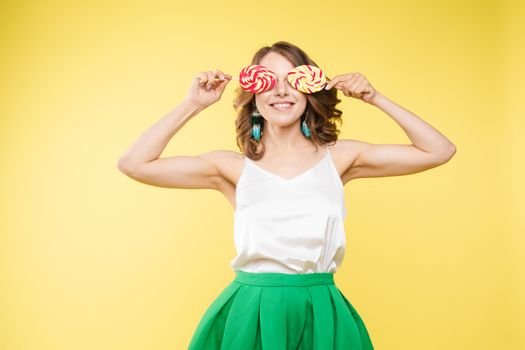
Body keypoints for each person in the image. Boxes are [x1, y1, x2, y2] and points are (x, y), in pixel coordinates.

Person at [117, 41, 456, 349]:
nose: (281, 91)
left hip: (321, 308)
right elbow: (134, 164)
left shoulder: (339, 158)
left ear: (310, 91)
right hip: (252, 311)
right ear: (253, 94)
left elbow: (439, 150)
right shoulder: (231, 167)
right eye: (268, 80)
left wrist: (375, 98)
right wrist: (193, 104)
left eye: (294, 80)